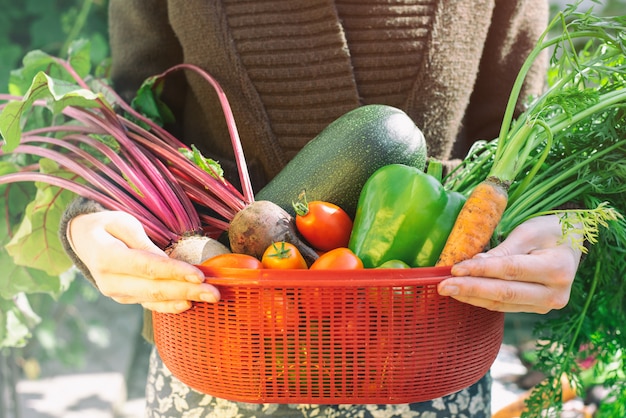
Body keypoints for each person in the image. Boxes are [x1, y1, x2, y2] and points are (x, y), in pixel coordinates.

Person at [61, 0, 583, 416]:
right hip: (222, 349)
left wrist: (566, 220)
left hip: (425, 360)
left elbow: (523, 130)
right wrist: (92, 214)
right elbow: (135, 106)